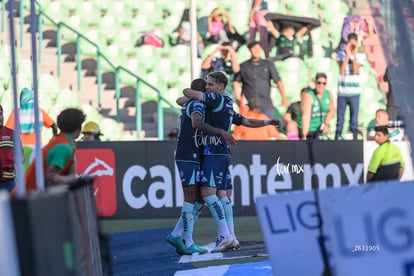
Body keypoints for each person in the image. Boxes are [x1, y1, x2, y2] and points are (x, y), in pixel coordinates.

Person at [183, 71, 280, 253]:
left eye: (211, 84)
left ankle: (225, 235)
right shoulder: (226, 103)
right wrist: (267, 122)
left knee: (207, 192)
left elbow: (188, 92)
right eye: (207, 85)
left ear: (221, 86)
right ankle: (231, 236)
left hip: (214, 152)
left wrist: (195, 92)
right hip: (223, 153)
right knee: (223, 195)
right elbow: (246, 121)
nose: (207, 87)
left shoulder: (215, 99)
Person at [167, 78, 235, 255]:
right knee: (191, 197)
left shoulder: (190, 104)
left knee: (198, 198)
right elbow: (196, 122)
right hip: (189, 156)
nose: (210, 91)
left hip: (193, 155)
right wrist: (220, 132)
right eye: (207, 89)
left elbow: (181, 99)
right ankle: (187, 240)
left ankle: (178, 235)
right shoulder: (198, 105)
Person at [21, 108, 86, 194]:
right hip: (28, 197)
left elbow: (71, 174)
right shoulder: (64, 148)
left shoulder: (66, 142)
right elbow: (51, 179)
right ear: (79, 127)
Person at [233, 41, 289, 122]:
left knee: (267, 126)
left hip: (265, 103)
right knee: (249, 128)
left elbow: (278, 81)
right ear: (250, 50)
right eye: (254, 48)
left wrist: (284, 98)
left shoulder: (268, 64)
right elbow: (236, 81)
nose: (257, 50)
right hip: (248, 103)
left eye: (259, 48)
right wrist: (238, 97)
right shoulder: (244, 66)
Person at [335, 33, 366, 140]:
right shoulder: (341, 54)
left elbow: (355, 70)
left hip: (354, 92)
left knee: (353, 120)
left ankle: (355, 138)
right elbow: (342, 70)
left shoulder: (361, 55)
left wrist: (354, 54)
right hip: (342, 92)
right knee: (340, 119)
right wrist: (347, 55)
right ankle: (337, 137)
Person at [297, 73, 335, 140]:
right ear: (315, 83)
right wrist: (304, 136)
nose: (321, 85)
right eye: (319, 83)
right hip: (309, 129)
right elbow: (306, 116)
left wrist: (326, 123)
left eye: (324, 83)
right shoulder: (308, 96)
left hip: (320, 129)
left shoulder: (328, 94)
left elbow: (331, 110)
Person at [0, 105, 23, 192]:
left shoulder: (12, 133)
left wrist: (11, 157)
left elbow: (22, 158)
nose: (0, 118)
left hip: (8, 184)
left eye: (0, 114)